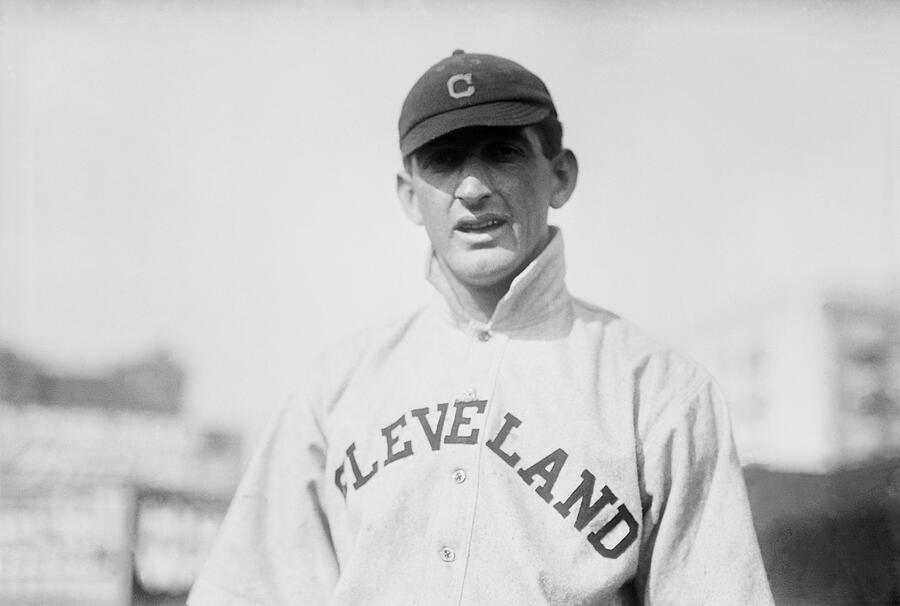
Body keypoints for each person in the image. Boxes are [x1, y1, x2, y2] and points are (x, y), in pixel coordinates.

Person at [188, 50, 774, 605]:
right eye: (444, 160)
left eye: (503, 152)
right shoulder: (337, 388)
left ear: (561, 175)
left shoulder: (658, 391)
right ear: (409, 195)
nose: (472, 188)